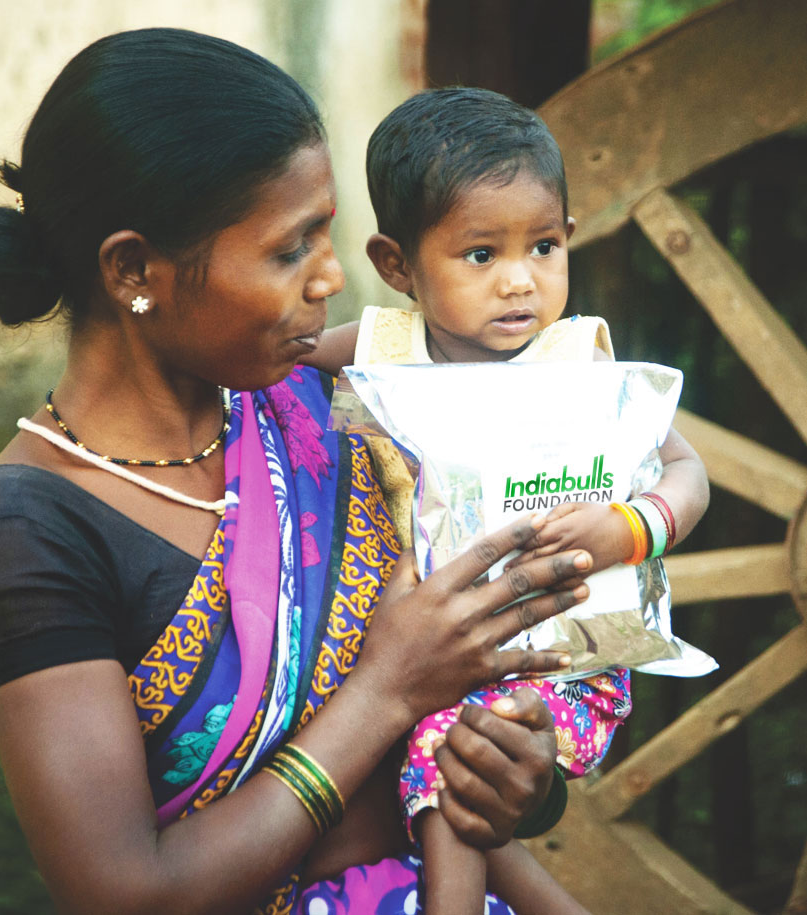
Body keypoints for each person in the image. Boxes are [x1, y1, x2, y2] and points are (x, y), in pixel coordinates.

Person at [0, 30, 602, 915]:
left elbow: (451, 741)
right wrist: (386, 688)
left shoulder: (334, 412)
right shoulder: (28, 531)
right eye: (291, 249)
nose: (333, 276)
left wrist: (519, 777)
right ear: (134, 269)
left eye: (326, 236)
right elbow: (124, 893)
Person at [301, 87, 710, 914]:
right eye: (480, 255)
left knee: (459, 761)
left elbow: (688, 472)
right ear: (396, 266)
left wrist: (630, 527)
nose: (520, 281)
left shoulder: (578, 359)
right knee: (436, 744)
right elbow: (273, 357)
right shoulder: (382, 347)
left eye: (545, 246)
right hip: (427, 645)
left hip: (561, 646)